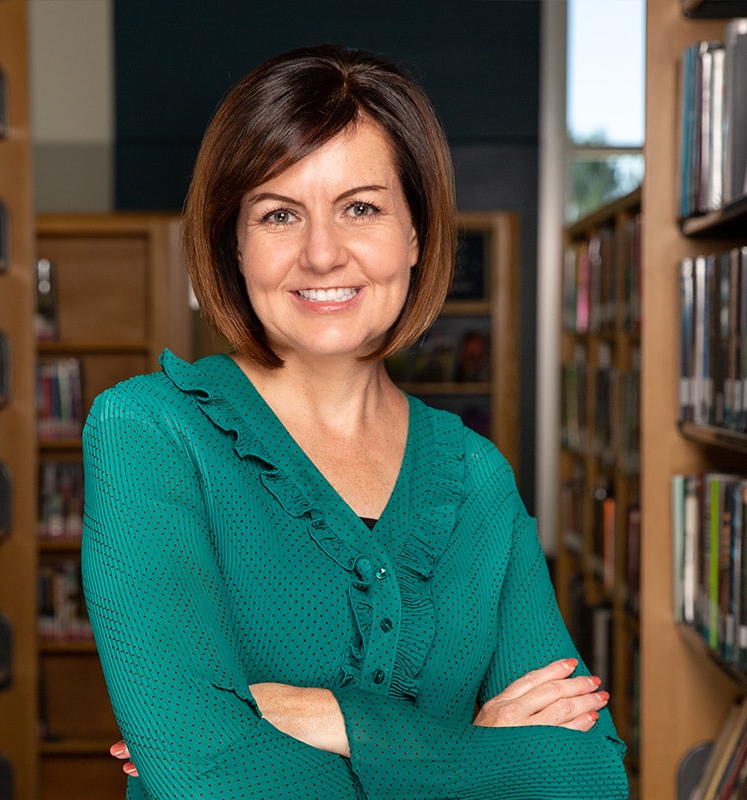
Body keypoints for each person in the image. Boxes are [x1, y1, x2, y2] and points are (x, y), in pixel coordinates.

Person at [81, 44, 629, 799]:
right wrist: (477, 753)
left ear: (416, 234)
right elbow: (205, 779)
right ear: (232, 244)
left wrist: (336, 720)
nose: (322, 253)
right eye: (279, 214)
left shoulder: (476, 479)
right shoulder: (150, 435)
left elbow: (592, 776)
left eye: (361, 207)